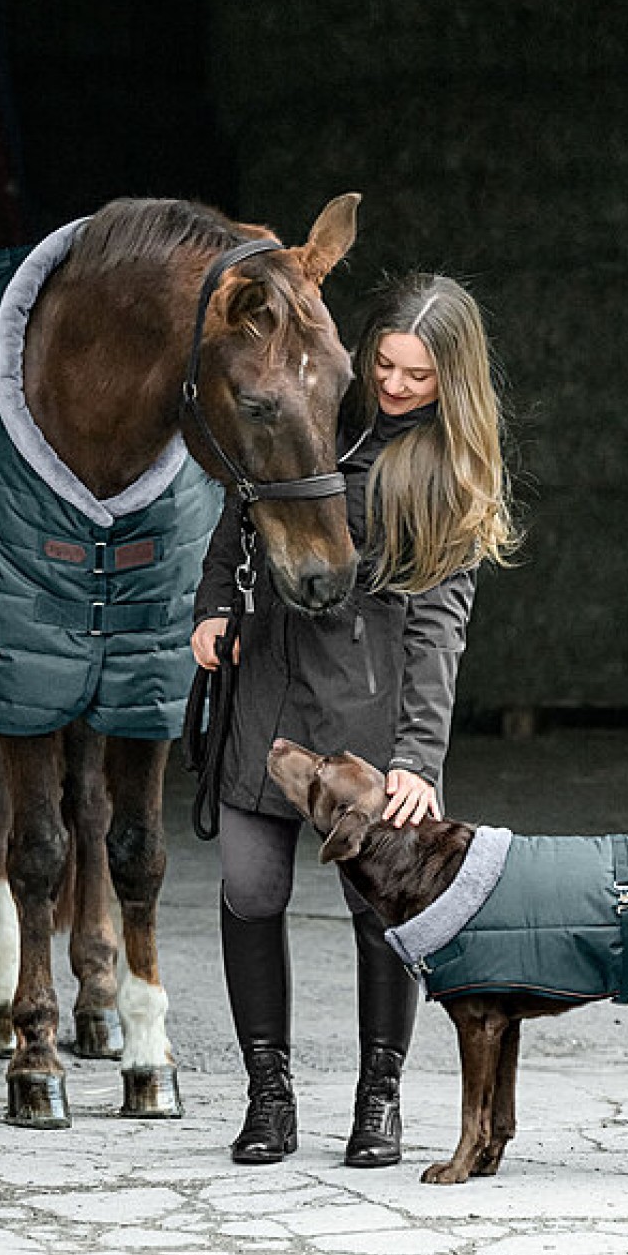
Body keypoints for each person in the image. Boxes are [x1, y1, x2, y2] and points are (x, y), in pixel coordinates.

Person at [191, 272, 519, 1167]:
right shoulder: (319, 406)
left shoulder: (447, 471)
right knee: (250, 890)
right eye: (386, 364)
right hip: (266, 687)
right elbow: (245, 505)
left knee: (381, 913)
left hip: (370, 722)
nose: (396, 385)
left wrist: (417, 758)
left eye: (419, 374)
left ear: (452, 377)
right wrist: (213, 605)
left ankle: (381, 1097)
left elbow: (439, 628)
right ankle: (268, 1096)